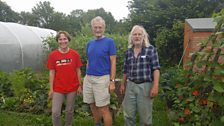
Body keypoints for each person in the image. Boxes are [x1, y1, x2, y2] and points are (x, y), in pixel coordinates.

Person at [120, 25, 160, 126]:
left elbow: (156, 69)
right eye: (135, 34)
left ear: (143, 36)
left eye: (139, 34)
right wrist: (122, 84)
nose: (137, 36)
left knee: (145, 118)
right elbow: (125, 70)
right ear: (131, 37)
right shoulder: (128, 52)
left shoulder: (151, 50)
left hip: (145, 86)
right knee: (128, 115)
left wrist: (155, 86)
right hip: (131, 86)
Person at [83, 16, 116, 126]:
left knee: (103, 108)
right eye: (95, 27)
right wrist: (86, 75)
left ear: (104, 28)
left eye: (100, 27)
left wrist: (112, 81)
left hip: (102, 79)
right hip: (89, 78)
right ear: (92, 28)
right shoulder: (89, 43)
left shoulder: (109, 42)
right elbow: (89, 60)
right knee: (92, 105)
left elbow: (113, 62)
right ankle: (98, 124)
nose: (97, 30)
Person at [47, 31, 82, 126]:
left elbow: (78, 71)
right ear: (57, 41)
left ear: (68, 40)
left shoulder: (74, 54)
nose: (63, 41)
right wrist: (51, 89)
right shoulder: (53, 55)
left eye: (65, 39)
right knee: (55, 112)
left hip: (72, 87)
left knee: (69, 111)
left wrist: (79, 85)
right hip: (58, 88)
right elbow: (51, 72)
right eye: (60, 39)